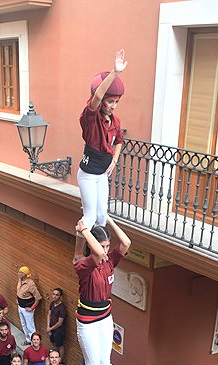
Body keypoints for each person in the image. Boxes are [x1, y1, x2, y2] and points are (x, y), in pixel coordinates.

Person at [73, 219, 130, 365]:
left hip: (105, 317)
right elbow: (97, 253)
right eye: (103, 246)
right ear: (92, 245)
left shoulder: (110, 261)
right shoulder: (83, 264)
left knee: (105, 364)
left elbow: (126, 243)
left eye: (108, 246)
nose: (106, 250)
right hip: (87, 321)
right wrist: (84, 229)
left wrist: (109, 221)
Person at [77, 50, 126, 231]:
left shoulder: (116, 121)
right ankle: (79, 252)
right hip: (88, 174)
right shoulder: (90, 118)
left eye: (116, 102)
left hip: (102, 174)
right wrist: (115, 73)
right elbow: (97, 97)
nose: (113, 106)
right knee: (89, 217)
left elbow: (119, 140)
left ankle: (96, 251)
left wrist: (115, 160)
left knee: (101, 216)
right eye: (110, 101)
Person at [16, 266, 41, 346]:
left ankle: (34, 343)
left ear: (25, 274)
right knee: (23, 324)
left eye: (20, 272)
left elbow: (38, 298)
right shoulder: (20, 280)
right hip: (20, 306)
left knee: (30, 326)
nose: (18, 273)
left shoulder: (30, 284)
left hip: (27, 309)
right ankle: (28, 340)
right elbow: (19, 291)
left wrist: (32, 308)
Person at [47, 288, 67, 360]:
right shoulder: (52, 303)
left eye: (57, 295)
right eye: (53, 294)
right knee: (53, 343)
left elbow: (60, 323)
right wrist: (48, 327)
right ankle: (54, 357)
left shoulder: (62, 308)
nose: (54, 296)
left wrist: (50, 329)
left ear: (60, 296)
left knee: (60, 345)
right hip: (51, 328)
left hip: (59, 331)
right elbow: (49, 315)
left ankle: (60, 360)